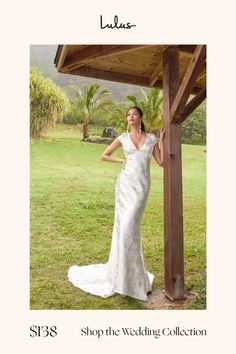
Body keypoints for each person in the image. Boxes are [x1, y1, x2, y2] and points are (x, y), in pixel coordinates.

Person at [68, 106, 165, 302]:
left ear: (141, 117)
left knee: (131, 228)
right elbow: (104, 155)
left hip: (141, 188)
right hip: (125, 186)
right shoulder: (122, 138)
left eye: (134, 114)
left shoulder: (152, 138)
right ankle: (124, 279)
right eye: (128, 115)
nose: (130, 117)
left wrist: (162, 141)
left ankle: (134, 280)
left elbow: (162, 162)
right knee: (124, 230)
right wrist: (120, 159)